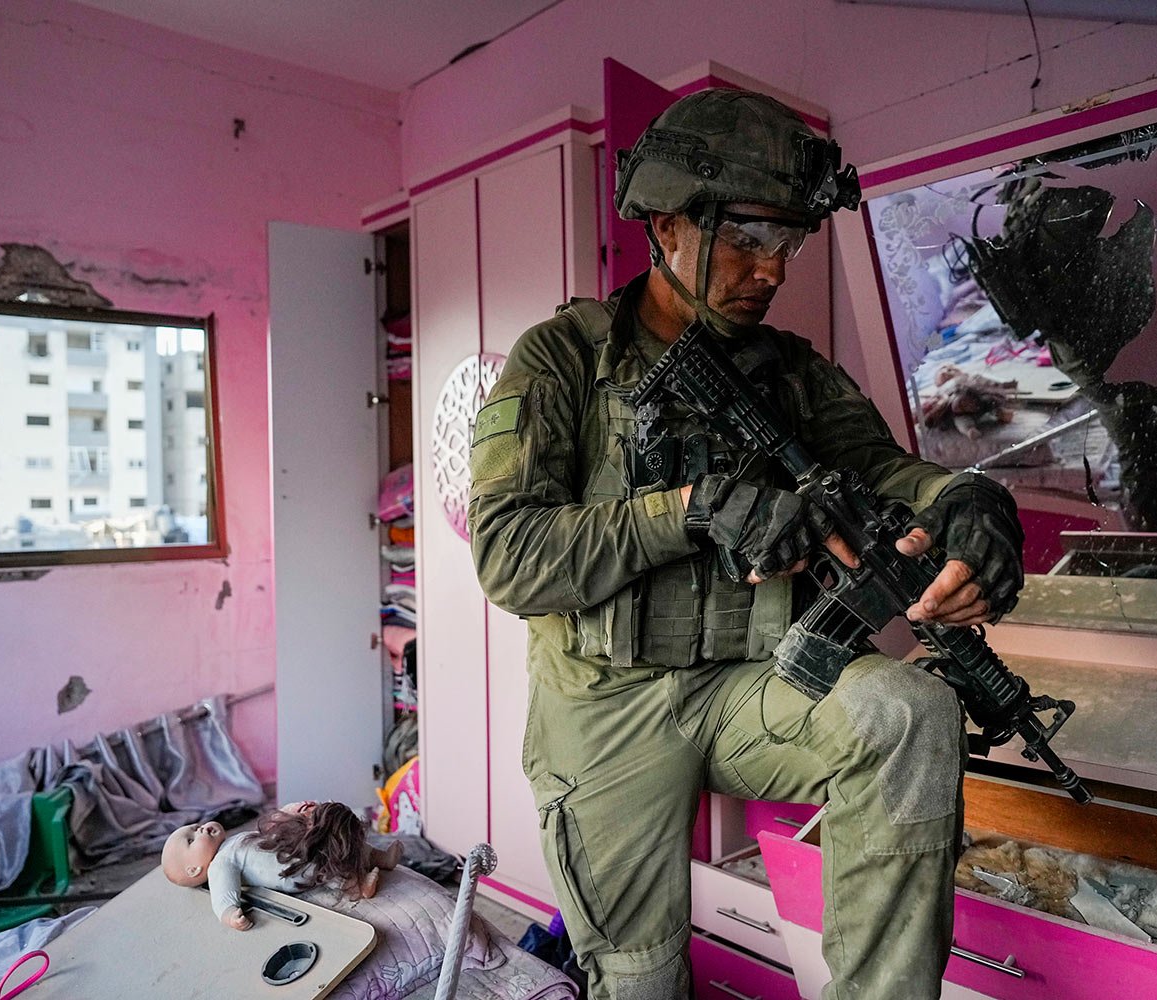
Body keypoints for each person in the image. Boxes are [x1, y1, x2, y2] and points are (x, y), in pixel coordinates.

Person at [467, 88, 1026, 1000]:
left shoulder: (793, 373)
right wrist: (689, 507)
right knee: (640, 981)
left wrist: (970, 499)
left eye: (788, 243)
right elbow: (508, 554)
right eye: (746, 237)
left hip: (755, 681)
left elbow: (887, 470)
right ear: (665, 222)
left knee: (912, 714)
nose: (771, 269)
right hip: (607, 705)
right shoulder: (563, 360)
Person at [161, 800, 403, 930]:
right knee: (324, 861)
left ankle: (382, 859)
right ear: (194, 870)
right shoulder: (220, 864)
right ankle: (355, 887)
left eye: (194, 827)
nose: (200, 829)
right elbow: (222, 894)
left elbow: (265, 834)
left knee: (334, 836)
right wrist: (229, 914)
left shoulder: (231, 842)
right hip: (290, 869)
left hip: (287, 850)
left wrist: (288, 815)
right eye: (192, 840)